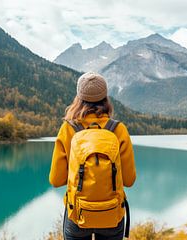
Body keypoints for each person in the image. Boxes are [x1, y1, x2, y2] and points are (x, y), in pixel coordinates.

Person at [49, 72, 136, 240]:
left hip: (77, 214)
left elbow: (56, 180)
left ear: (78, 98)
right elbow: (129, 180)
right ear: (105, 98)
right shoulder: (118, 129)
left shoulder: (68, 129)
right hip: (113, 215)